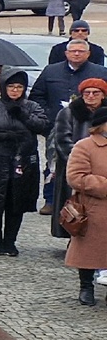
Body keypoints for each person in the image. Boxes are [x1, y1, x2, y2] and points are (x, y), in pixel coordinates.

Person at [0, 70, 51, 256]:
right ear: (4, 87)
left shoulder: (32, 106)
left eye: (19, 87)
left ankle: (10, 241)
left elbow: (43, 126)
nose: (15, 90)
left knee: (17, 203)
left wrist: (23, 115)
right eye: (11, 86)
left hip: (22, 161)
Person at [49, 77, 107, 243]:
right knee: (74, 206)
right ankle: (73, 236)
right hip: (73, 165)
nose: (90, 96)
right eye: (86, 93)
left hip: (102, 166)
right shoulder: (68, 112)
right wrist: (80, 159)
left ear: (103, 95)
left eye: (95, 93)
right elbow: (61, 140)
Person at [63, 106, 107, 306]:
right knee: (90, 251)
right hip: (93, 208)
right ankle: (86, 286)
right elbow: (76, 177)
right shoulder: (85, 146)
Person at [32, 39, 107, 118]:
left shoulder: (101, 72)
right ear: (66, 53)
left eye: (81, 51)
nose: (76, 54)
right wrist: (48, 113)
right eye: (73, 51)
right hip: (54, 121)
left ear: (88, 54)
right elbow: (37, 95)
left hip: (89, 121)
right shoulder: (50, 71)